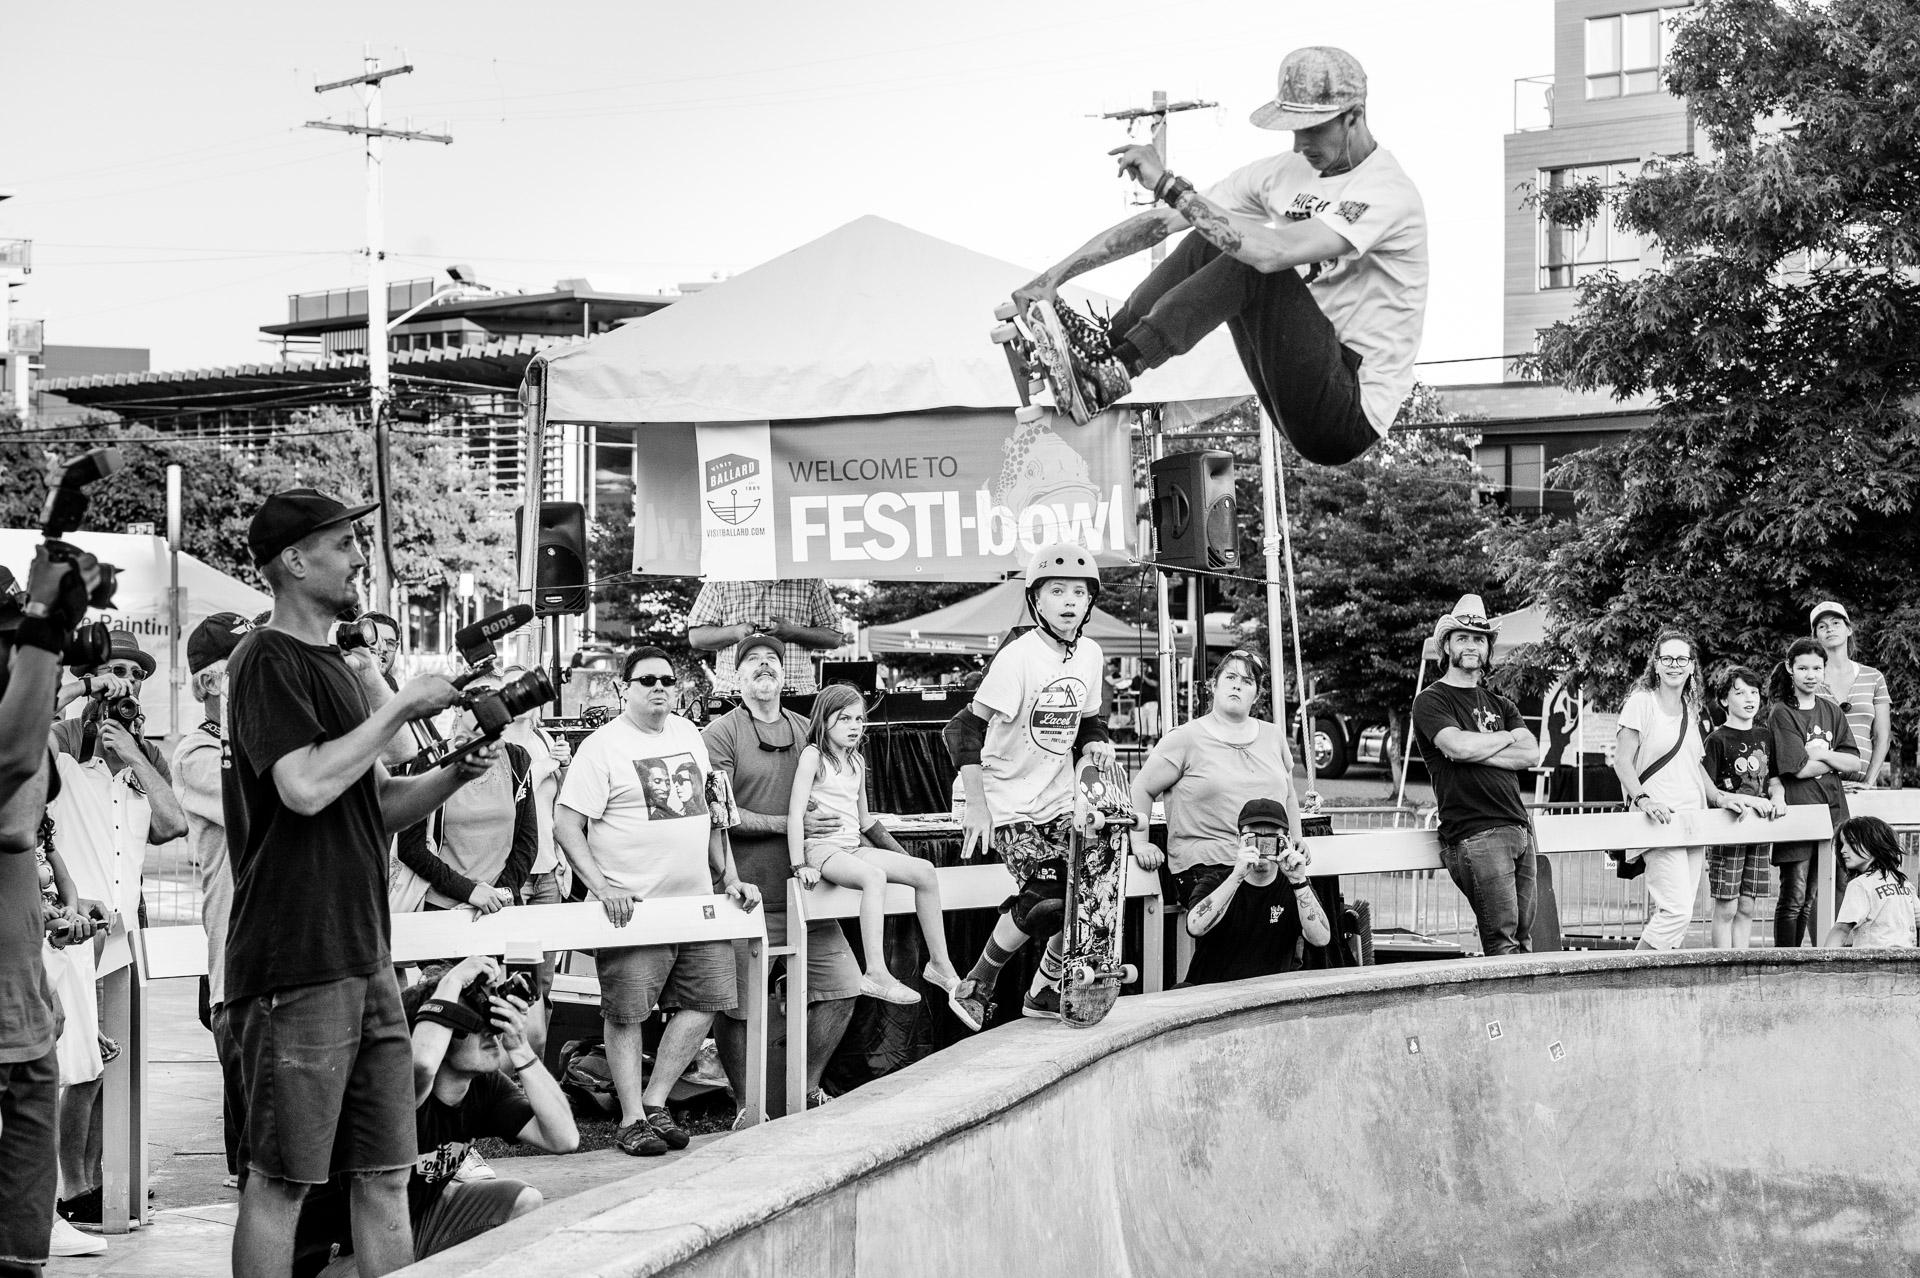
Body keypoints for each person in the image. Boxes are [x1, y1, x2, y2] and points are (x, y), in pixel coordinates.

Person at [223, 488, 501, 1278]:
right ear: (293, 560)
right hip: (294, 960)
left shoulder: (339, 667)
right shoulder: (265, 658)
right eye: (343, 543)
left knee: (385, 1174)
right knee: (282, 1180)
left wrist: (455, 773)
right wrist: (400, 705)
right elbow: (304, 787)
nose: (359, 558)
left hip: (365, 955)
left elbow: (375, 805)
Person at [1013, 46, 1426, 466]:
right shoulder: (1281, 172)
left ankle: (1120, 368)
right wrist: (1053, 276)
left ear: (1354, 116)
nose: (1300, 144)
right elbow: (1167, 220)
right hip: (1298, 376)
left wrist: (1169, 184)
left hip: (1349, 407)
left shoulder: (1385, 191)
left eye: (1313, 129)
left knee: (1252, 258)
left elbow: (1275, 253)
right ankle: (1103, 354)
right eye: (1293, 129)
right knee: (1211, 233)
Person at [555, 647, 761, 1158]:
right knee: (627, 1014)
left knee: (708, 1001)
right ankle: (630, 1119)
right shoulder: (602, 747)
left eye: (667, 680)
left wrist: (729, 877)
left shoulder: (689, 734)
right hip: (634, 910)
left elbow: (714, 814)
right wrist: (601, 887)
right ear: (623, 688)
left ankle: (654, 1102)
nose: (659, 688)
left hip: (696, 905)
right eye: (646, 680)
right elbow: (566, 824)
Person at [290, 956, 577, 1276]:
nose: (488, 1030)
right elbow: (423, 1064)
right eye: (471, 1022)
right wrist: (451, 982)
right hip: (338, 1256)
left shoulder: (483, 1086)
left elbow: (563, 1138)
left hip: (411, 1224)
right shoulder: (395, 1088)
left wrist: (520, 1048)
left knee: (524, 1201)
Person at [945, 546, 1114, 1029]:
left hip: (1056, 796)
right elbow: (962, 729)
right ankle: (977, 983)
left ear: (1089, 602)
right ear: (1036, 600)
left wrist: (1095, 742)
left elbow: (1088, 721)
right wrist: (977, 807)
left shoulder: (1090, 654)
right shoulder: (1018, 658)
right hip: (1003, 798)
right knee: (1047, 896)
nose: (1069, 601)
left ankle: (1043, 990)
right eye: (1057, 591)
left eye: (1078, 592)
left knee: (1090, 889)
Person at [703, 633, 864, 1117]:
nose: (764, 665)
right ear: (735, 675)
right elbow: (719, 815)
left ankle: (805, 1090)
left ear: (786, 671)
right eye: (752, 659)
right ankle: (745, 1105)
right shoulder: (720, 734)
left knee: (843, 987)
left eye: (772, 658)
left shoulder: (807, 730)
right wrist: (788, 824)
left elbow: (842, 797)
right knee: (737, 1008)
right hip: (743, 895)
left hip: (808, 895)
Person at [0, 547, 94, 1278]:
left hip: (21, 1014)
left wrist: (36, 979)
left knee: (21, 1257)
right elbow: (13, 821)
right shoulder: (17, 740)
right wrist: (40, 644)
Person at [788, 682, 962, 1007]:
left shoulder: (856, 760)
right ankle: (876, 973)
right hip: (822, 849)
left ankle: (940, 964)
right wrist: (799, 864)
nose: (854, 726)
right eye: (845, 719)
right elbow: (795, 814)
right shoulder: (814, 756)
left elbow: (865, 820)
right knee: (873, 877)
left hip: (852, 847)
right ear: (824, 719)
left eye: (859, 719)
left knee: (924, 871)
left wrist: (902, 858)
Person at [1613, 632, 1775, 952]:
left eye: (1682, 659)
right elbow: (1622, 761)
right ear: (1656, 664)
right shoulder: (1642, 703)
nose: (1675, 665)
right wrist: (1643, 800)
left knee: (1680, 914)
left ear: (1691, 666)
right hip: (1660, 819)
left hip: (1693, 819)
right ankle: (1630, 973)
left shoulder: (1690, 707)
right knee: (1676, 912)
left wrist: (1719, 797)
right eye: (1667, 658)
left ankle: (1654, 974)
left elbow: (1695, 765)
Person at [171, 612, 253, 1189]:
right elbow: (274, 804)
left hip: (292, 961)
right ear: (209, 683)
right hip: (241, 971)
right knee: (260, 1168)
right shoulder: (197, 754)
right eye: (245, 664)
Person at [1130, 650, 1299, 928]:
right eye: (1230, 677)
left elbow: (1289, 794)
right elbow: (1142, 788)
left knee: (1301, 917)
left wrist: (1297, 840)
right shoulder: (1185, 738)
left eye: (1247, 681)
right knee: (1244, 923)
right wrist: (1140, 842)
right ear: (1213, 685)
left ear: (1257, 695)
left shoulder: (1274, 735)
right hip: (1207, 867)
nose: (1237, 686)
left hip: (1266, 862)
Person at [1410, 596, 1539, 956]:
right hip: (1475, 833)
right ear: (1446, 646)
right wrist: (1504, 738)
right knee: (1503, 945)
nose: (1471, 645)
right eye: (1462, 638)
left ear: (1487, 649)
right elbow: (1457, 747)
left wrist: (1476, 751)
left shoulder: (1501, 704)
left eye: (1479, 639)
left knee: (1526, 942)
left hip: (1520, 829)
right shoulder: (1431, 700)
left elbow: (1531, 753)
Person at [394, 673, 538, 916]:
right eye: (482, 698)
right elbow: (410, 846)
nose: (492, 707)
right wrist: (469, 892)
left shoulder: (516, 759)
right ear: (458, 707)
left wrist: (500, 893)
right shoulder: (431, 761)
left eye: (499, 699)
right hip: (442, 908)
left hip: (499, 907)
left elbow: (527, 841)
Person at [1766, 637, 1866, 949]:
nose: (1810, 675)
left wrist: (1820, 755)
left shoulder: (1832, 711)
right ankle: (1785, 961)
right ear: (1790, 668)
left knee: (1815, 895)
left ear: (1824, 670)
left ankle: (1816, 958)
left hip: (1833, 814)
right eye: (1803, 668)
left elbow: (1854, 762)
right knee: (1794, 896)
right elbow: (1795, 768)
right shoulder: (1782, 713)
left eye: (1816, 668)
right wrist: (1832, 761)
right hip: (1799, 813)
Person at [497, 666, 572, 1056]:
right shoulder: (496, 745)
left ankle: (537, 1076)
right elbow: (509, 799)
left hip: (547, 871)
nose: (524, 695)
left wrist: (562, 855)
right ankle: (507, 1075)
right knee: (513, 979)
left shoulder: (544, 739)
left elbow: (557, 807)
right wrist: (542, 768)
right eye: (514, 688)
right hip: (512, 875)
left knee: (544, 981)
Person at [1181, 799, 1330, 985]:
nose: (1261, 847)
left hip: (1267, 994)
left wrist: (1299, 881)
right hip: (1211, 991)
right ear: (1239, 840)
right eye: (1253, 838)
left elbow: (1321, 939)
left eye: (1271, 838)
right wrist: (1237, 876)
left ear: (1286, 841)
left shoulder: (1294, 887)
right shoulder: (1215, 882)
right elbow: (1195, 927)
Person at [1702, 665, 1785, 949]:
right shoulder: (1716, 740)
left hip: (1758, 832)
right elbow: (1710, 792)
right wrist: (1752, 801)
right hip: (1728, 832)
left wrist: (1778, 798)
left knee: (1748, 905)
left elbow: (1774, 780)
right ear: (1724, 700)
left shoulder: (1765, 736)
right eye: (1739, 693)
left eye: (1754, 692)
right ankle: (1723, 964)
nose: (1749, 698)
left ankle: (1742, 960)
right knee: (1726, 906)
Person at [686, 579, 842, 696]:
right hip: (734, 693)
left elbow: (834, 637)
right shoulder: (722, 579)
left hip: (798, 693)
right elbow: (696, 636)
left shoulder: (810, 579)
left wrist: (794, 632)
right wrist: (736, 632)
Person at [1811, 602, 1892, 790]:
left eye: (1836, 623)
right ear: (1815, 637)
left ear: (1849, 629)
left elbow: (1882, 736)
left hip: (1862, 789)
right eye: (1822, 626)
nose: (1829, 629)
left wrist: (1869, 782)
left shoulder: (1873, 677)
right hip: (1818, 787)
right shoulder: (1810, 681)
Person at [1822, 817, 1916, 949]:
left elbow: (1842, 929)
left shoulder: (1860, 884)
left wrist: (1823, 958)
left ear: (1874, 843)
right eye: (1842, 844)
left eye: (1852, 842)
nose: (1843, 850)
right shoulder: (1903, 883)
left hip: (1872, 958)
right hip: (1906, 956)